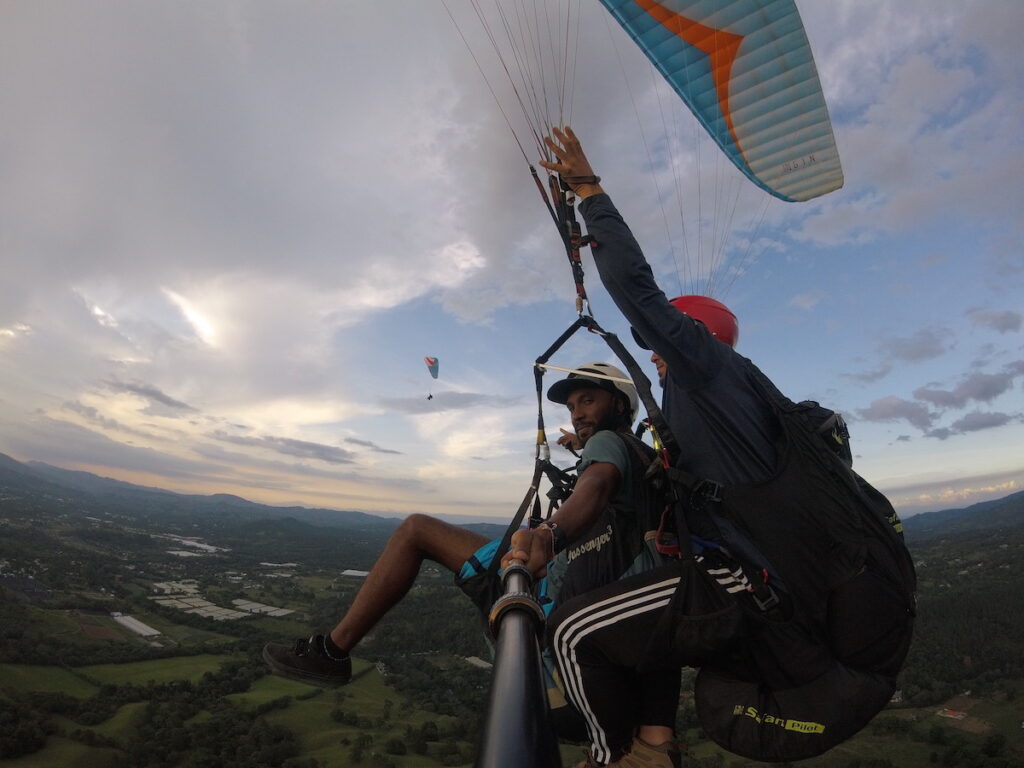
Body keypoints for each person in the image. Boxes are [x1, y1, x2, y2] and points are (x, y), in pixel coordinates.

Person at [533, 126, 917, 768]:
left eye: (663, 335)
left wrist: (590, 192)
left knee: (571, 631)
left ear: (689, 334)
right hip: (761, 588)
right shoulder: (721, 402)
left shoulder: (706, 371)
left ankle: (625, 759)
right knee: (628, 618)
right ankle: (652, 740)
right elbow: (681, 479)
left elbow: (636, 288)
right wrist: (591, 446)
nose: (652, 345)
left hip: (742, 588)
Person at [263, 362, 663, 733]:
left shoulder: (608, 445)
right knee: (420, 531)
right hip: (568, 592)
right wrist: (580, 442)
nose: (576, 412)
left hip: (544, 603)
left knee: (416, 530)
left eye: (588, 401)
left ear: (620, 404)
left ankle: (331, 653)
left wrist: (546, 536)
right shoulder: (640, 452)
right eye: (573, 406)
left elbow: (597, 483)